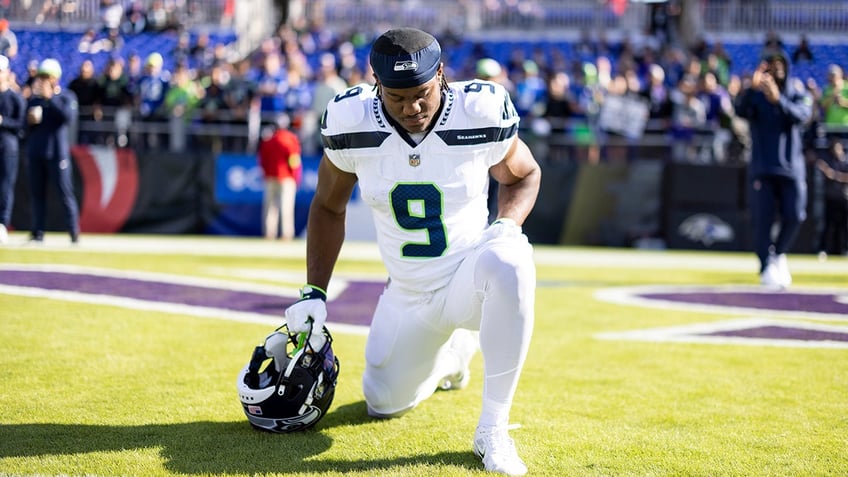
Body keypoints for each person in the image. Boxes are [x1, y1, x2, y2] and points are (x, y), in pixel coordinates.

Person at [283, 28, 540, 476]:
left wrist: (504, 226)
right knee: (384, 403)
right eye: (397, 98)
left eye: (421, 94)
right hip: (407, 291)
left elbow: (523, 174)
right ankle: (454, 354)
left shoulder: (479, 111)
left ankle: (493, 428)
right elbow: (327, 205)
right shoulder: (351, 120)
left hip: (471, 277)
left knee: (510, 259)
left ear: (441, 75)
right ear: (375, 85)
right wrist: (313, 293)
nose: (411, 108)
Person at [734, 48, 813, 288]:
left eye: (780, 64)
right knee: (762, 221)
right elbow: (739, 110)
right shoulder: (755, 96)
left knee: (795, 214)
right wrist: (750, 88)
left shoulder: (797, 92)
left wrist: (778, 100)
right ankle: (765, 266)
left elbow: (803, 115)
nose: (776, 69)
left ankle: (778, 254)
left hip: (791, 167)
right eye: (771, 64)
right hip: (762, 168)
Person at [25, 58, 80, 244]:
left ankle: (73, 232)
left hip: (57, 153)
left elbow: (68, 117)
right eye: (40, 77)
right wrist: (30, 120)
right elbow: (25, 128)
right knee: (37, 194)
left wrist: (51, 98)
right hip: (37, 152)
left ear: (55, 78)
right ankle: (37, 232)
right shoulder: (34, 100)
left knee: (65, 193)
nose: (42, 80)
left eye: (46, 77)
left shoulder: (66, 96)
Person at [257, 113, 302, 241]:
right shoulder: (290, 139)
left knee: (270, 207)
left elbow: (262, 160)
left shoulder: (268, 140)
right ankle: (286, 234)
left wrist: (265, 173)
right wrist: (295, 176)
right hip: (286, 177)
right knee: (286, 207)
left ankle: (269, 233)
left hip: (270, 177)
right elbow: (294, 159)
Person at [0, 55, 25, 244]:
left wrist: (3, 122)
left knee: (6, 186)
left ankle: (2, 223)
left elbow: (22, 125)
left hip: (8, 147)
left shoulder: (14, 98)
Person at [816, 141, 848, 258]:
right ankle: (823, 249)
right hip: (830, 199)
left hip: (843, 199)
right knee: (828, 225)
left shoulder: (845, 162)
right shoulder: (829, 161)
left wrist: (834, 175)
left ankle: (844, 249)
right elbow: (821, 166)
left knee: (844, 226)